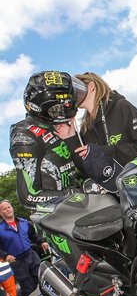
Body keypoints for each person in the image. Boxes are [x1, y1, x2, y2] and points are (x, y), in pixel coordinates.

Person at [54, 72, 137, 191]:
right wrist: (71, 138)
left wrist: (101, 152)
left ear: (91, 86)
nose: (72, 94)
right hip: (112, 194)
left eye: (76, 88)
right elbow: (88, 171)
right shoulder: (86, 127)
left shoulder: (121, 106)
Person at [10, 71, 87, 210]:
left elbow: (82, 165)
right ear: (44, 108)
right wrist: (74, 194)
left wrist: (72, 138)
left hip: (76, 207)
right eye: (61, 104)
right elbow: (29, 196)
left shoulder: (59, 125)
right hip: (53, 218)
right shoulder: (25, 135)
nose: (69, 106)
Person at [0, 200, 61, 296]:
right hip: (17, 261)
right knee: (29, 287)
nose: (8, 209)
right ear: (0, 213)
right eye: (4, 208)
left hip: (31, 255)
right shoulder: (1, 229)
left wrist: (42, 242)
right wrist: (6, 255)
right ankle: (20, 295)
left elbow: (34, 236)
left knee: (43, 278)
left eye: (9, 207)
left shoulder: (24, 223)